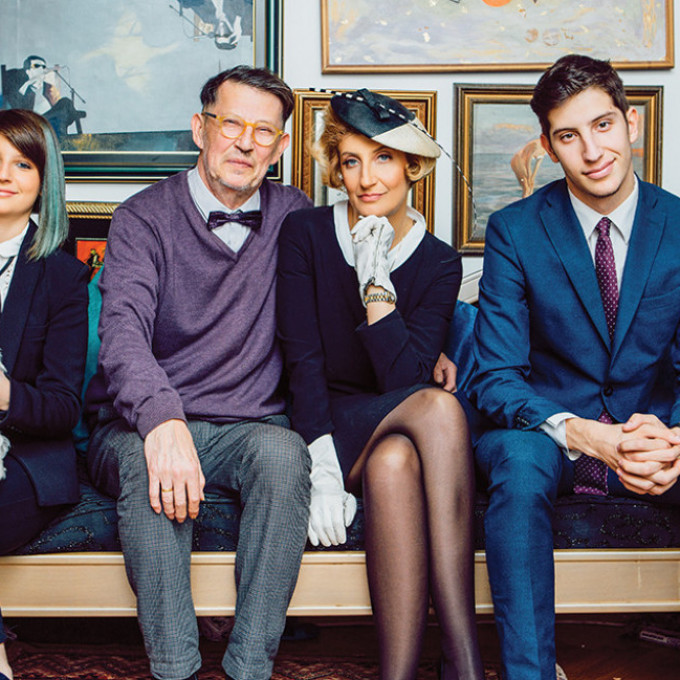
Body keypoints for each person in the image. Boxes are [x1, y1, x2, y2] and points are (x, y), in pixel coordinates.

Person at [85, 66, 313, 680]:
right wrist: (163, 422)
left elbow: (335, 320)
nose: (245, 142)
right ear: (199, 128)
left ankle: (249, 668)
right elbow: (122, 335)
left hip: (249, 428)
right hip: (139, 424)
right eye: (231, 123)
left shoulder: (296, 215)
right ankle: (176, 669)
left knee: (286, 456)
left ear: (280, 147)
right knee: (150, 464)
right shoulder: (141, 217)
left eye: (263, 131)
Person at [470, 54, 680, 680]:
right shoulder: (514, 230)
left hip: (654, 436)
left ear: (631, 123)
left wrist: (674, 441)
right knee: (516, 460)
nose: (591, 151)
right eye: (568, 135)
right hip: (551, 439)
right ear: (548, 146)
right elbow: (495, 377)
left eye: (603, 125)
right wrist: (586, 434)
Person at [277, 89, 484, 680]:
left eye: (384, 158)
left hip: (396, 422)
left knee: (396, 461)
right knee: (439, 408)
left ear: (411, 165)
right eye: (351, 161)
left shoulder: (439, 261)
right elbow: (302, 361)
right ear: (336, 169)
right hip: (327, 425)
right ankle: (465, 661)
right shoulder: (305, 233)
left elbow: (401, 381)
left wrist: (378, 288)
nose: (366, 179)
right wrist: (320, 466)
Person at [0, 108, 89, 680]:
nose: (4, 175)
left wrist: (5, 394)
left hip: (26, 463)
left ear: (43, 179)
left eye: (22, 164)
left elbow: (62, 407)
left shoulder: (62, 276)